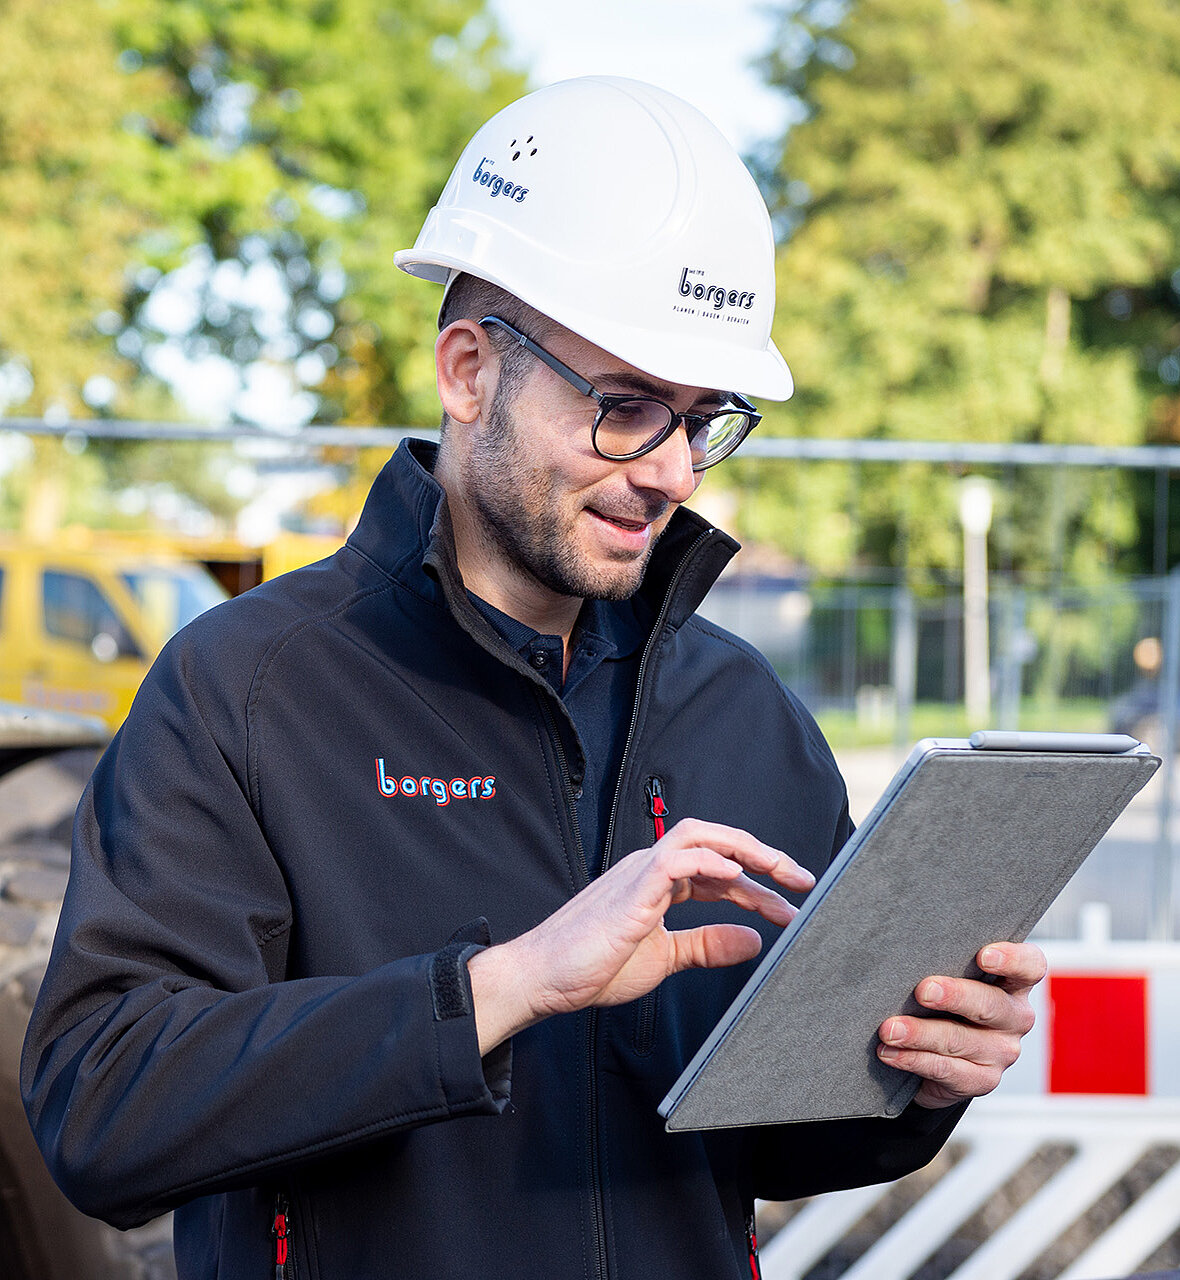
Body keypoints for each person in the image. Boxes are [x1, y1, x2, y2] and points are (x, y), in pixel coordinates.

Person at [22, 77, 1044, 1280]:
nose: (670, 471)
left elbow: (767, 1141)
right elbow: (101, 1107)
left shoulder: (743, 713)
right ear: (468, 371)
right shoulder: (245, 689)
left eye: (701, 418)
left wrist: (918, 1072)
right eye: (625, 406)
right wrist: (501, 988)